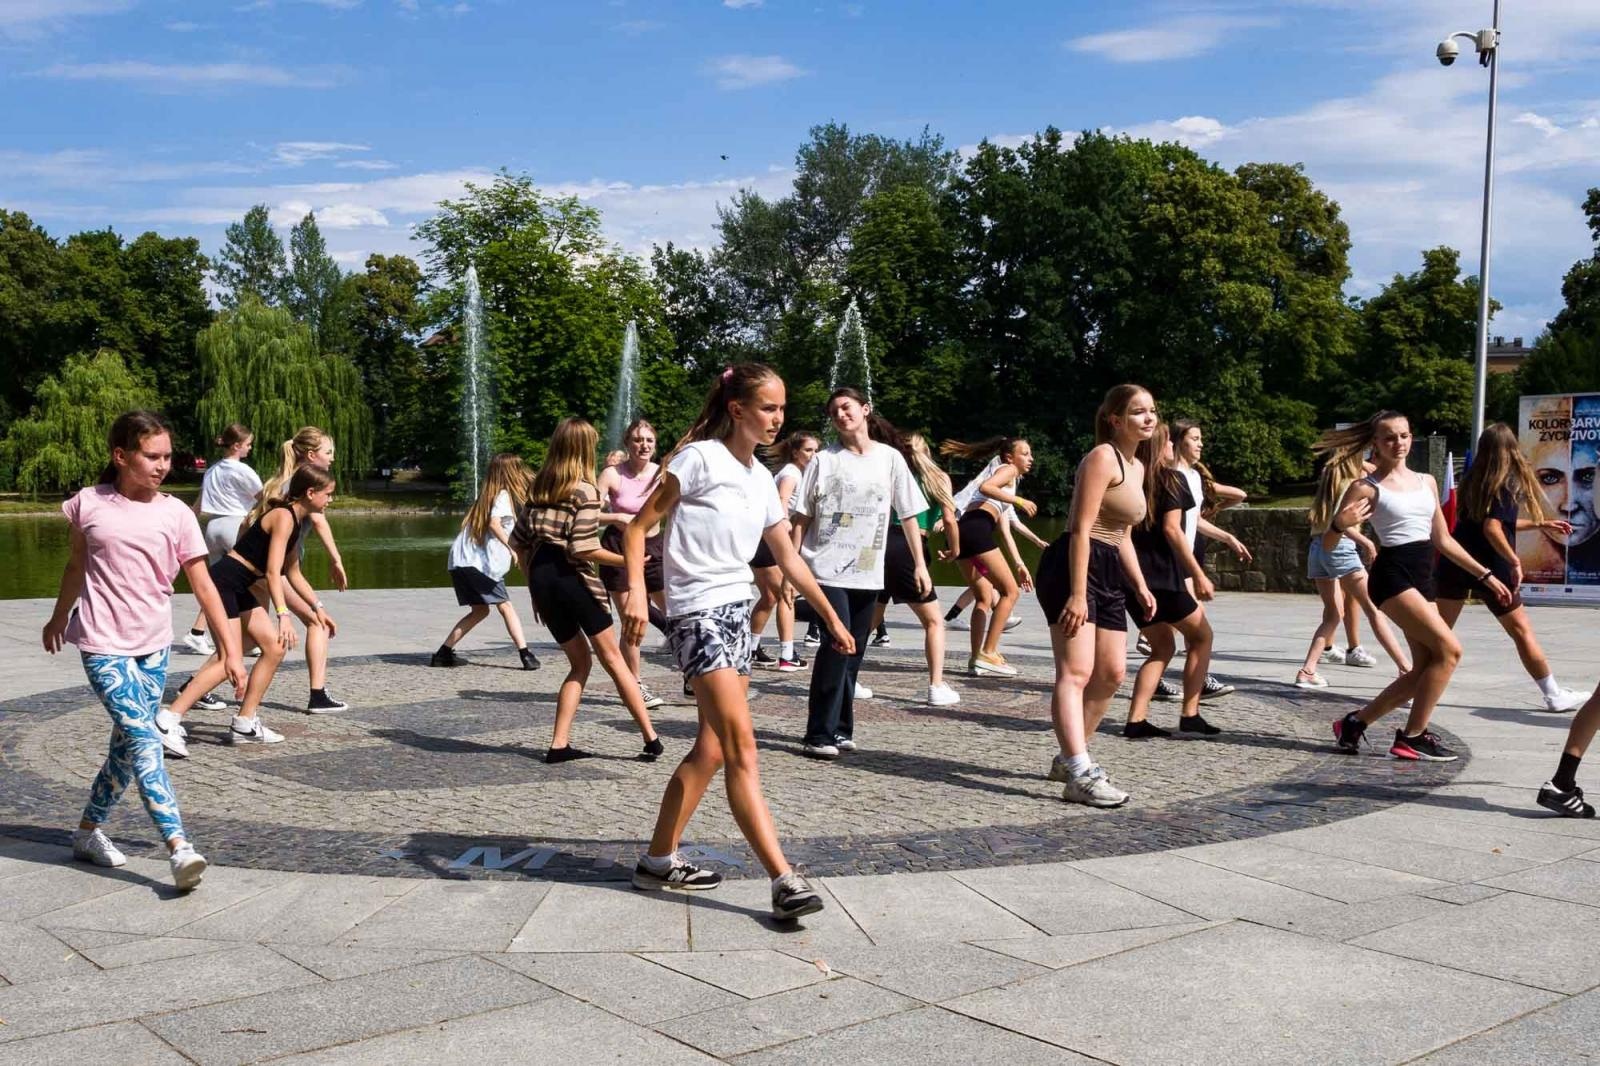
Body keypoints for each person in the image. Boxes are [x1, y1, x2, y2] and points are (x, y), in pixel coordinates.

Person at [621, 363, 854, 921]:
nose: (778, 419)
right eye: (768, 408)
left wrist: (829, 618)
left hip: (735, 614)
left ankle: (657, 862)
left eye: (781, 409)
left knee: (713, 747)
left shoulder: (759, 479)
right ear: (737, 409)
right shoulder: (698, 459)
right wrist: (634, 592)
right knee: (742, 747)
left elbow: (788, 557)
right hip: (696, 614)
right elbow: (637, 529)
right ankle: (783, 879)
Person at [43, 412, 245, 889]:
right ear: (121, 456)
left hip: (152, 648)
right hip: (100, 642)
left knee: (124, 749)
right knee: (144, 738)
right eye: (151, 456)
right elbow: (76, 566)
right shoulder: (87, 504)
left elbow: (204, 586)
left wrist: (230, 649)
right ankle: (179, 847)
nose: (162, 466)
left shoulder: (175, 513)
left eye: (167, 457)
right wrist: (58, 616)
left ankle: (88, 832)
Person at [1328, 411, 1512, 761]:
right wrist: (1338, 524)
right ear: (1375, 444)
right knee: (1451, 650)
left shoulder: (1427, 481)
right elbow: (1327, 542)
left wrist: (1485, 574)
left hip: (1424, 575)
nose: (1399, 443)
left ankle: (1355, 722)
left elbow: (1442, 540)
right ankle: (1412, 736)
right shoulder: (1367, 487)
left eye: (1404, 435)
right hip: (1392, 575)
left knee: (1426, 665)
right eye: (1389, 438)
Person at [512, 418, 662, 763]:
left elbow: (516, 542)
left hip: (543, 580)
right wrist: (629, 561)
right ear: (584, 449)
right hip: (571, 579)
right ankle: (650, 738)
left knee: (579, 665)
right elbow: (582, 548)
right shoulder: (584, 490)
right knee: (614, 661)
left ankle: (559, 744)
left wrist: (534, 587)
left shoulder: (537, 489)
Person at [791, 388, 929, 758]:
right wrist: (793, 566)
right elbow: (801, 517)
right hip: (826, 566)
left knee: (855, 652)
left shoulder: (890, 459)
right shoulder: (824, 461)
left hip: (868, 570)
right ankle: (817, 733)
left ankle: (840, 728)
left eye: (846, 407)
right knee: (837, 647)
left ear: (865, 410)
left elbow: (910, 515)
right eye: (834, 411)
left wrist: (919, 563)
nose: (841, 415)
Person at [1036, 384, 1157, 807]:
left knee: (1112, 674)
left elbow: (1120, 534)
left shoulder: (1137, 467)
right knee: (1076, 671)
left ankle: (1070, 754)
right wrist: (1076, 593)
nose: (1148, 419)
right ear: (1115, 419)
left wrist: (1139, 584)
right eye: (1138, 412)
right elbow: (1083, 529)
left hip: (1107, 567)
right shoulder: (1102, 458)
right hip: (1073, 564)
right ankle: (1081, 772)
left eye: (1152, 412)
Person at [161, 464, 339, 751]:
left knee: (273, 648)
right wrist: (283, 617)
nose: (330, 500)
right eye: (328, 494)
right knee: (226, 659)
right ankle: (168, 719)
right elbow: (271, 573)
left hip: (238, 586)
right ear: (310, 493)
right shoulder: (283, 516)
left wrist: (317, 607)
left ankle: (245, 722)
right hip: (224, 583)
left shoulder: (295, 521)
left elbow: (292, 574)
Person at [1436, 423, 1584, 712]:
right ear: (1511, 448)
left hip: (1458, 562)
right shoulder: (1506, 481)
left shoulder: (1472, 480)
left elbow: (1495, 523)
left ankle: (1417, 685)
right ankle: (1553, 694)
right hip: (1492, 567)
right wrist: (1515, 560)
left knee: (1440, 632)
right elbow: (1493, 528)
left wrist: (1539, 524)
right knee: (1521, 631)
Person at [1120, 424, 1222, 738]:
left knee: (1162, 648)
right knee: (1202, 637)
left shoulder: (1131, 478)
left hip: (1131, 579)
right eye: (1166, 443)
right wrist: (1200, 574)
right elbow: (1173, 531)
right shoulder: (1171, 479)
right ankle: (1190, 713)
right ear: (1161, 447)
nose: (1170, 448)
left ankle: (1136, 720)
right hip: (1164, 579)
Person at [1293, 446, 1412, 689]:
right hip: (1341, 547)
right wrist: (1367, 541)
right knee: (1374, 608)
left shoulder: (1330, 480)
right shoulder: (1353, 484)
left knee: (1333, 614)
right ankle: (1406, 670)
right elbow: (1343, 523)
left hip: (1318, 548)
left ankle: (1308, 671)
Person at [252, 427, 351, 714]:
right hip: (275, 570)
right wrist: (336, 560)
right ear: (311, 455)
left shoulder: (282, 480)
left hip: (271, 566)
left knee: (245, 638)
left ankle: (192, 688)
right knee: (316, 622)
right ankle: (317, 695)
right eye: (328, 452)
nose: (332, 458)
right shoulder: (302, 487)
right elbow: (319, 522)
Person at [867, 430, 962, 706]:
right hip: (910, 547)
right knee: (933, 621)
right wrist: (955, 549)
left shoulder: (894, 474)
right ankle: (935, 685)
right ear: (927, 451)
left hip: (881, 544)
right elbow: (950, 519)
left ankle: (849, 676)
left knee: (871, 616)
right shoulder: (938, 477)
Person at [1163, 419, 1250, 702]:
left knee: (1185, 629)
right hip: (1171, 561)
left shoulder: (1195, 478)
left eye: (1201, 439)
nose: (1201, 444)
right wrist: (1196, 572)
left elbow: (1195, 519)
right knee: (1196, 627)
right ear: (1177, 441)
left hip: (1184, 561)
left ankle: (1181, 685)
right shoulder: (1168, 475)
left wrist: (1227, 537)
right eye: (1195, 438)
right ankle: (1195, 692)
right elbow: (1170, 526)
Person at [430, 453, 541, 671]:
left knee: (480, 610)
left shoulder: (485, 498)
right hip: (480, 565)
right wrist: (511, 547)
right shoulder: (502, 496)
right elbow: (494, 524)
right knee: (506, 606)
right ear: (511, 473)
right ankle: (525, 654)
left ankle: (443, 653)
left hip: (460, 562)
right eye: (518, 468)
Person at [940, 437, 1037, 677]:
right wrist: (1020, 501)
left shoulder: (1006, 481)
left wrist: (1019, 563)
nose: (1030, 458)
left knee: (984, 597)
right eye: (1025, 453)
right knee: (1010, 592)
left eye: (1030, 454)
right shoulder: (1008, 470)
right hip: (976, 529)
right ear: (1009, 457)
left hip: (964, 530)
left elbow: (1005, 532)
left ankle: (976, 659)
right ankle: (989, 652)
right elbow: (986, 487)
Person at [595, 419, 667, 710]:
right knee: (632, 621)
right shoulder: (612, 474)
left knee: (676, 611)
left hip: (654, 548)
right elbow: (587, 515)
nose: (644, 445)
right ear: (628, 444)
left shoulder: (663, 474)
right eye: (638, 440)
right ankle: (634, 683)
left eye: (649, 440)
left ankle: (691, 674)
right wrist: (615, 517)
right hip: (620, 549)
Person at [181, 423, 261, 657]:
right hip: (235, 525)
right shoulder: (242, 470)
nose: (250, 448)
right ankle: (250, 635)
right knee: (253, 579)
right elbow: (265, 497)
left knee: (218, 585)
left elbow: (197, 505)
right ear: (237, 445)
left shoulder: (212, 470)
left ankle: (198, 633)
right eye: (248, 444)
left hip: (212, 528)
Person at [762, 431, 820, 671]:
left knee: (770, 597)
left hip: (769, 541)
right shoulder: (792, 473)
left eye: (816, 450)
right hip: (777, 541)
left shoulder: (796, 472)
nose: (814, 455)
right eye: (808, 450)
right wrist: (785, 525)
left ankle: (753, 647)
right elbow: (781, 500)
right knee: (787, 595)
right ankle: (787, 655)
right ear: (796, 452)